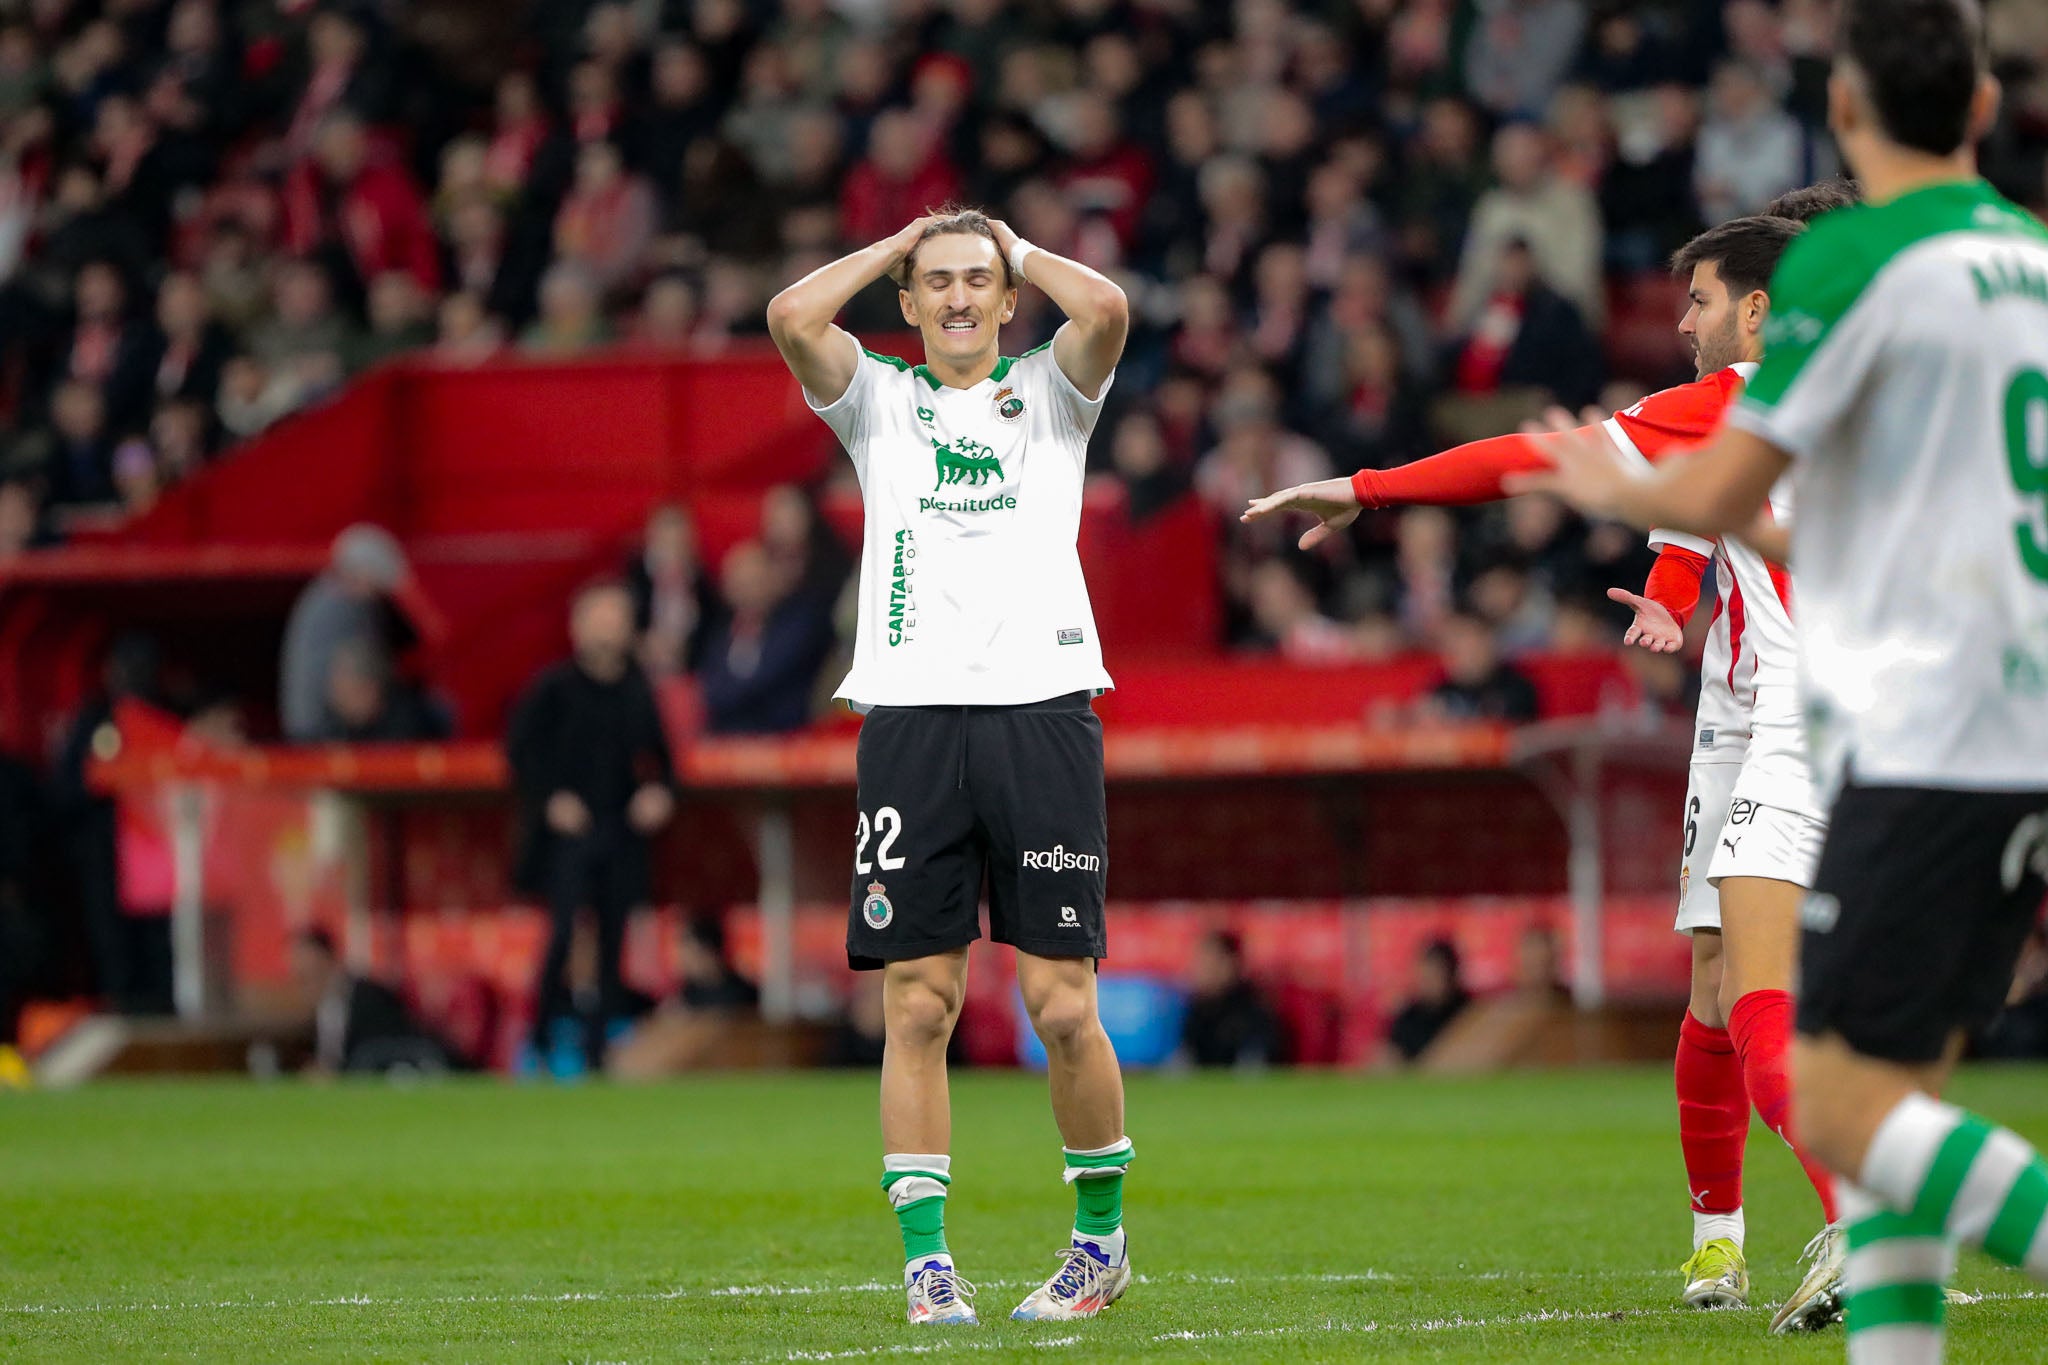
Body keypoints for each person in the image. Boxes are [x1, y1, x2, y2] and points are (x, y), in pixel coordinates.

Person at [1515, 4, 2048, 1357]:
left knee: (1832, 1084)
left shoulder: (1863, 273)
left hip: (1900, 727)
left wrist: (1607, 468)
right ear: (1982, 111)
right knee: (1871, 1079)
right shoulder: (2031, 266)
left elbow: (1734, 481)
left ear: (1851, 118)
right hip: (2005, 706)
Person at [1244, 198, 1858, 1329]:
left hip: (1801, 718)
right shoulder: (1864, 398)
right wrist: (1672, 607)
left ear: (1759, 310)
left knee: (1756, 990)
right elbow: (1689, 532)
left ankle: (1859, 1224)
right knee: (1714, 982)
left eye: (1701, 299)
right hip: (1782, 709)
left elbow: (1530, 454)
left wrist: (1367, 487)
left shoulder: (1734, 403)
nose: (1681, 321)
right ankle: (1716, 1249)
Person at [767, 207, 1131, 1327]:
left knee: (1059, 1003)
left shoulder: (1056, 392)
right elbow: (789, 314)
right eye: (941, 283)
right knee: (917, 1005)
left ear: (1010, 295)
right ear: (912, 304)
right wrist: (896, 248)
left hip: (1039, 713)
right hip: (912, 721)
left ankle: (1098, 1245)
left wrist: (1013, 247)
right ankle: (927, 1264)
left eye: (981, 280)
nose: (964, 297)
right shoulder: (877, 397)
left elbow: (1109, 306)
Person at [506, 582, 679, 1073]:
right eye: (600, 617)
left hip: (619, 832)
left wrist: (658, 793)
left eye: (617, 617)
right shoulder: (553, 687)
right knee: (561, 936)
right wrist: (550, 801)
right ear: (577, 626)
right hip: (567, 837)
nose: (609, 628)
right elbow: (520, 753)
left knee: (612, 942)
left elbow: (662, 761)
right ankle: (538, 1039)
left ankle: (598, 1049)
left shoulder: (637, 688)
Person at [290, 928, 448, 1075]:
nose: (300, 965)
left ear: (327, 958)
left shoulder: (366, 995)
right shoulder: (323, 1005)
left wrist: (337, 1071)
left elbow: (379, 1046)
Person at [1180, 930, 1281, 1068]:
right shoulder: (1195, 1008)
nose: (1202, 970)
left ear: (1232, 964)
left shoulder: (1253, 1008)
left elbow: (1257, 1060)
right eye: (1200, 962)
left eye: (1211, 963)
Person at [1385, 939, 1471, 1064]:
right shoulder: (1406, 1019)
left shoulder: (1469, 1012)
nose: (1430, 981)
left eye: (1437, 973)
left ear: (1452, 974)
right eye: (1426, 974)